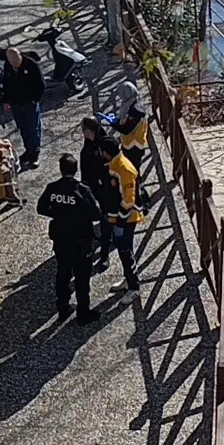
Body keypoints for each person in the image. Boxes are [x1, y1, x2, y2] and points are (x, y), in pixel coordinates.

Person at [36, 154, 102, 324]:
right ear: (76, 169)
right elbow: (96, 214)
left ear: (61, 169)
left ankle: (63, 309)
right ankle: (83, 313)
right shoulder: (82, 190)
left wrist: (58, 214)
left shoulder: (52, 188)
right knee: (81, 278)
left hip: (61, 239)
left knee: (63, 273)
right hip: (81, 241)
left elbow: (41, 208)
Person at [101, 138, 142, 296]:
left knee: (126, 252)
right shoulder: (116, 164)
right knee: (125, 251)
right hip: (119, 218)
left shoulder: (124, 168)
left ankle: (134, 287)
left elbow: (128, 200)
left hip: (126, 219)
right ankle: (129, 278)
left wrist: (120, 223)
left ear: (105, 153)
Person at [80, 117, 115, 272]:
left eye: (84, 130)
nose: (83, 133)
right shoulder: (87, 146)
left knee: (106, 222)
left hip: (106, 190)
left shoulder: (105, 144)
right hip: (92, 188)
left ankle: (104, 255)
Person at [2, 47, 45, 168]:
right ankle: (28, 150)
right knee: (23, 128)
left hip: (29, 104)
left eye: (16, 63)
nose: (15, 66)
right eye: (12, 64)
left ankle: (35, 153)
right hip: (16, 104)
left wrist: (34, 100)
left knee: (33, 129)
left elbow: (41, 85)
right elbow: (6, 83)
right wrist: (6, 101)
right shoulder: (8, 66)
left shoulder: (31, 65)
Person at [110, 81, 148, 172]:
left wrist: (114, 124)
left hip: (134, 145)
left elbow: (127, 129)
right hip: (130, 144)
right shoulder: (132, 103)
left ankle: (137, 185)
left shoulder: (135, 110)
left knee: (133, 169)